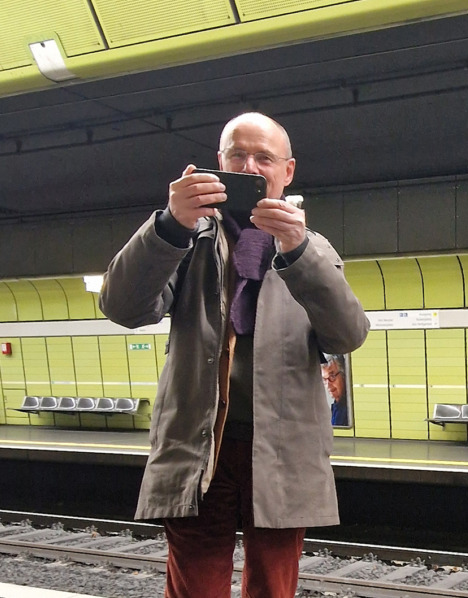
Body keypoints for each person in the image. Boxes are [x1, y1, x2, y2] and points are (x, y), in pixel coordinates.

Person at [100, 112, 370, 598]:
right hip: (199, 446)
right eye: (237, 155)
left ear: (287, 171)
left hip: (284, 450)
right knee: (194, 587)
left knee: (273, 585)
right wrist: (168, 224)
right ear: (219, 163)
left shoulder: (314, 248)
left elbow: (347, 334)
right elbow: (122, 307)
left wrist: (298, 250)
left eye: (263, 157)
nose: (249, 166)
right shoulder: (186, 239)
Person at [321, 354, 349, 426]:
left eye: (332, 376)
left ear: (344, 375)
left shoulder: (350, 409)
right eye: (324, 379)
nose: (328, 385)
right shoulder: (336, 406)